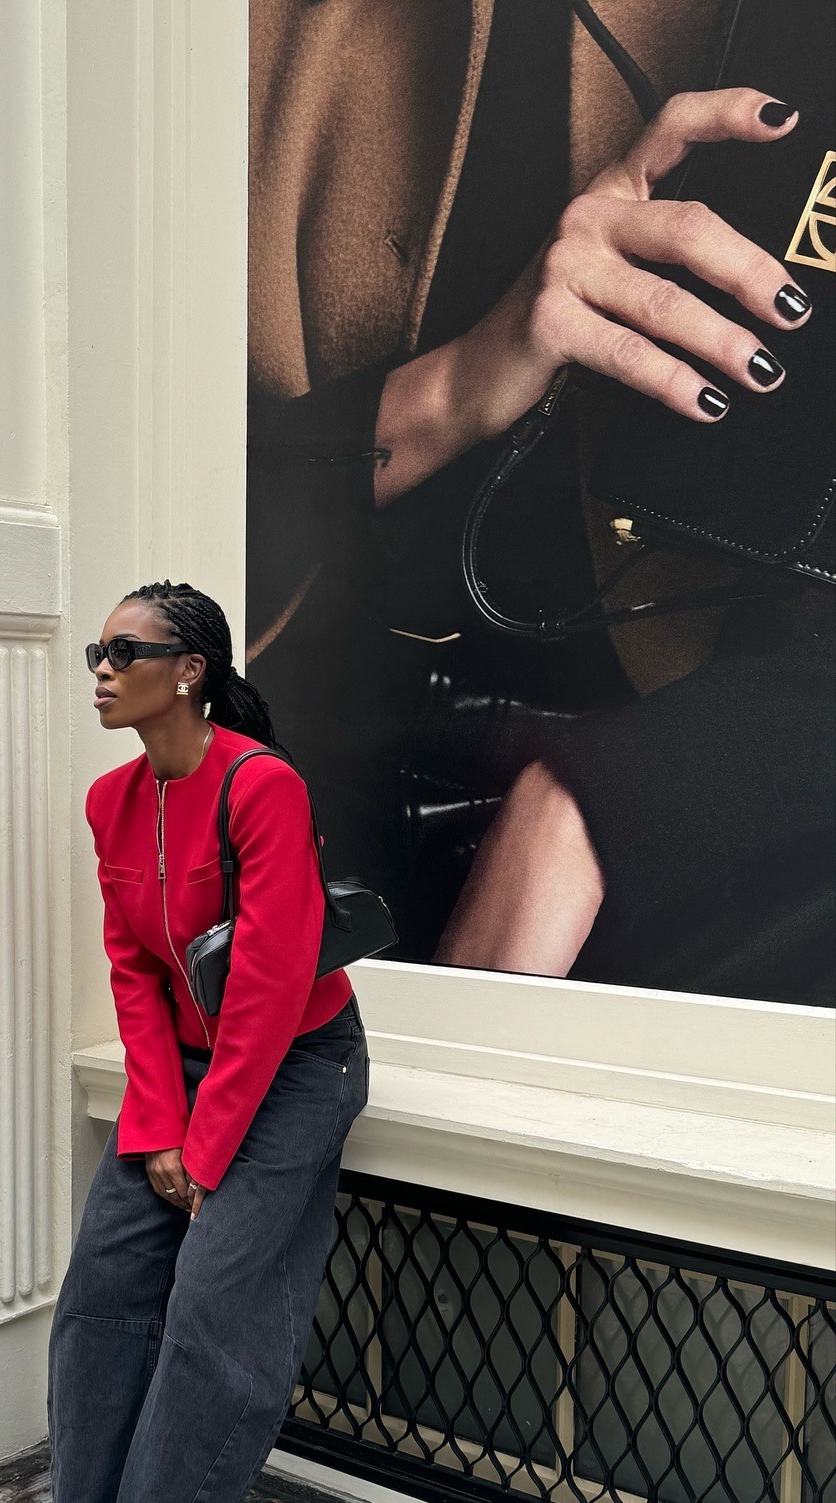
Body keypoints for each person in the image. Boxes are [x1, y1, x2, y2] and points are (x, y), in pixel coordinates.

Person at [246, 0, 832, 1004]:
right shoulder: (238, 45)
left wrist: (605, 798)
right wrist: (448, 392)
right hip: (252, 829)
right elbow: (106, 548)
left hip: (682, 904)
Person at [0, 581, 368, 1503]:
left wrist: (207, 1147)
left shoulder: (261, 785)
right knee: (99, 1297)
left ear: (190, 669)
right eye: (95, 653)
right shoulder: (111, 800)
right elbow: (135, 970)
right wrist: (158, 1124)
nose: (101, 670)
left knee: (211, 1314)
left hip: (294, 1067)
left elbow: (271, 984)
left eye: (124, 651)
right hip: (185, 1077)